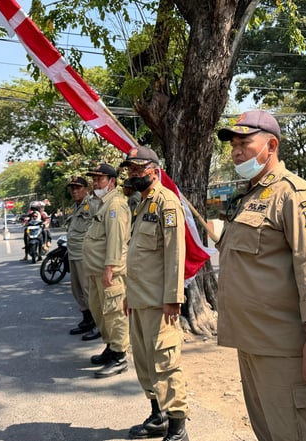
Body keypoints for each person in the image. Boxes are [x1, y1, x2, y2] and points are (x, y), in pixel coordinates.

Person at [216, 110, 306, 441]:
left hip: (286, 347)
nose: (237, 151)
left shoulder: (294, 195)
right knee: (270, 433)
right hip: (254, 342)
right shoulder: (249, 196)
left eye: (245, 143)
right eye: (233, 145)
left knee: (299, 433)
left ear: (271, 145)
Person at [121, 146, 190, 441]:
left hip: (161, 303)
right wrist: (128, 294)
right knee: (145, 363)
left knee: (165, 363)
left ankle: (177, 429)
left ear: (153, 169)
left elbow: (176, 253)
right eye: (130, 171)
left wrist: (173, 299)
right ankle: (158, 416)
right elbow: (138, 256)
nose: (134, 175)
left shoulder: (166, 203)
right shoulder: (142, 203)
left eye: (139, 170)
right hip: (139, 299)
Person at [82, 163, 132, 378]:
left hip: (109, 272)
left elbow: (116, 241)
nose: (95, 183)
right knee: (99, 311)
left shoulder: (115, 205)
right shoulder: (101, 204)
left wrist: (109, 268)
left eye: (100, 179)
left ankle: (120, 356)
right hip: (96, 271)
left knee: (114, 314)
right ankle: (111, 347)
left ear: (112, 182)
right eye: (94, 179)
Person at [65, 175, 100, 339]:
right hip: (73, 253)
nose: (74, 191)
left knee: (89, 291)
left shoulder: (93, 205)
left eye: (78, 188)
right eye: (72, 188)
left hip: (85, 254)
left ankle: (98, 324)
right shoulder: (75, 207)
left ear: (86, 190)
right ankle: (86, 320)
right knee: (77, 289)